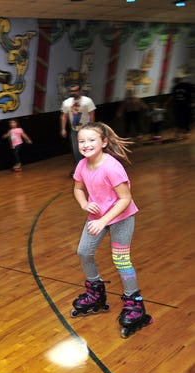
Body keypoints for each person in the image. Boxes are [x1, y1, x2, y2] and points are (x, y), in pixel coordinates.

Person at [70, 122, 152, 338]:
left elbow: (125, 199)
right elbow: (78, 188)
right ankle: (96, 292)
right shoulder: (82, 165)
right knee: (83, 252)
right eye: (81, 141)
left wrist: (104, 220)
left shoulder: (112, 167)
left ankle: (134, 303)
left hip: (121, 218)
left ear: (104, 142)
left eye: (91, 140)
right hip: (97, 217)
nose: (86, 144)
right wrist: (84, 204)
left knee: (121, 259)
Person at [61, 84, 96, 166]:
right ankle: (79, 170)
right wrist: (63, 129)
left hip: (86, 130)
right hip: (74, 130)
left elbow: (92, 115)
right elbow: (64, 116)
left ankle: (91, 167)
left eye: (75, 91)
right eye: (71, 91)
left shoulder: (87, 101)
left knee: (88, 150)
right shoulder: (66, 103)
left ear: (80, 91)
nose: (73, 93)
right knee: (76, 151)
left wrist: (92, 128)